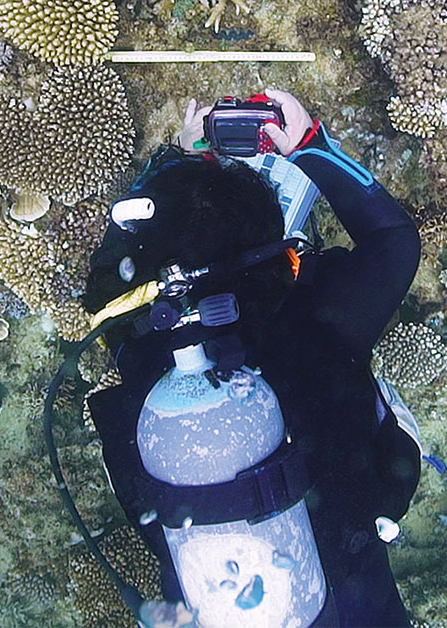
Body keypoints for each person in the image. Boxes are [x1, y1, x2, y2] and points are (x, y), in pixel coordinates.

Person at [82, 89, 422, 627]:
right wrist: (311, 147)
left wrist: (173, 171)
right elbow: (396, 242)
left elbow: (108, 278)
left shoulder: (142, 332)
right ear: (271, 249)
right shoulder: (319, 322)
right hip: (349, 588)